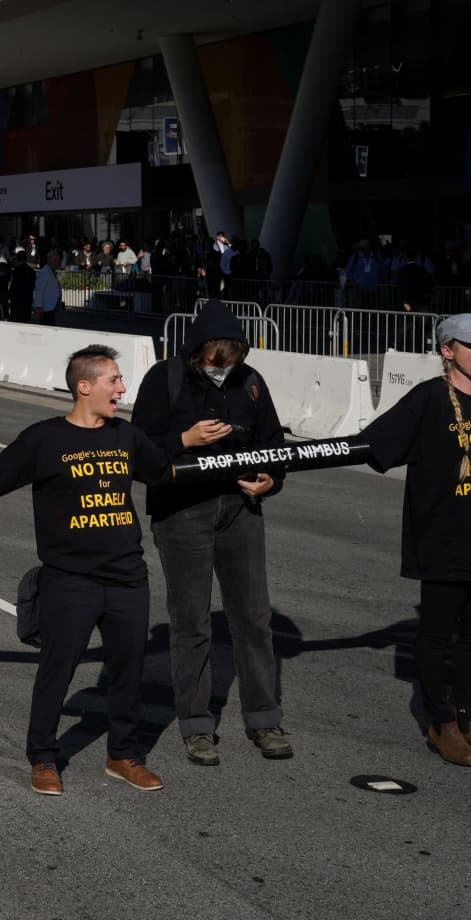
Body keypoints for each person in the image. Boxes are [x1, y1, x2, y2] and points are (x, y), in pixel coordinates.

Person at [0, 344, 228, 796]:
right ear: (84, 386)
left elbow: (163, 468)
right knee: (57, 671)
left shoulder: (125, 435)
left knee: (128, 671)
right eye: (114, 380)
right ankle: (43, 757)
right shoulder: (43, 439)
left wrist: (223, 461)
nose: (122, 388)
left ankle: (123, 756)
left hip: (127, 576)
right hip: (70, 579)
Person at [358, 314, 471, 766]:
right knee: (436, 637)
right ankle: (442, 723)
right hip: (444, 541)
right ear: (447, 350)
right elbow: (374, 443)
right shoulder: (428, 398)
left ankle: (468, 720)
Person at [130, 302, 291, 766]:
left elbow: (273, 445)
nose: (222, 367)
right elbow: (137, 450)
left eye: (231, 358)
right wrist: (185, 440)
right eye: (214, 359)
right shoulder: (164, 379)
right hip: (182, 512)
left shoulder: (252, 381)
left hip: (240, 509)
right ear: (197, 351)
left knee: (253, 617)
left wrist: (271, 480)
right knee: (191, 622)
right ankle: (197, 726)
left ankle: (265, 719)